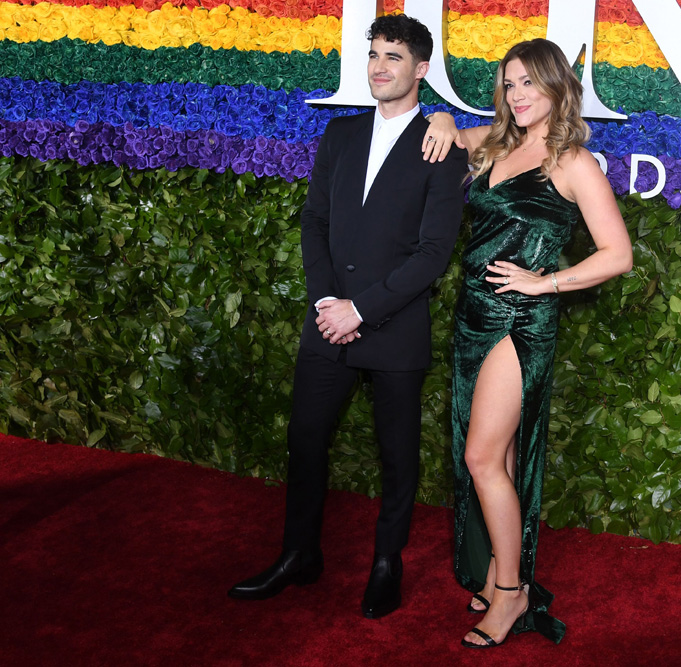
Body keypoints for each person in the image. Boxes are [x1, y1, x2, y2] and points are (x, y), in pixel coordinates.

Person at [227, 14, 468, 621]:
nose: (380, 67)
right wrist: (327, 303)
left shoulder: (440, 144)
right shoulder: (339, 134)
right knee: (304, 442)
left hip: (394, 328)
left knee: (398, 458)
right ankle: (298, 554)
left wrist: (361, 308)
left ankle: (388, 562)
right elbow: (316, 222)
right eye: (374, 55)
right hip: (328, 323)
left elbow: (435, 254)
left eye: (394, 57)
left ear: (421, 70)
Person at [426, 39, 633, 647]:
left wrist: (547, 282)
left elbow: (617, 254)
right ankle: (497, 573)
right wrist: (441, 117)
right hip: (473, 317)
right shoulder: (499, 141)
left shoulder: (573, 161)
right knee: (502, 461)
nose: (516, 96)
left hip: (518, 323)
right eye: (508, 84)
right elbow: (448, 132)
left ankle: (512, 595)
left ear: (557, 88)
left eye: (528, 84)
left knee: (481, 459)